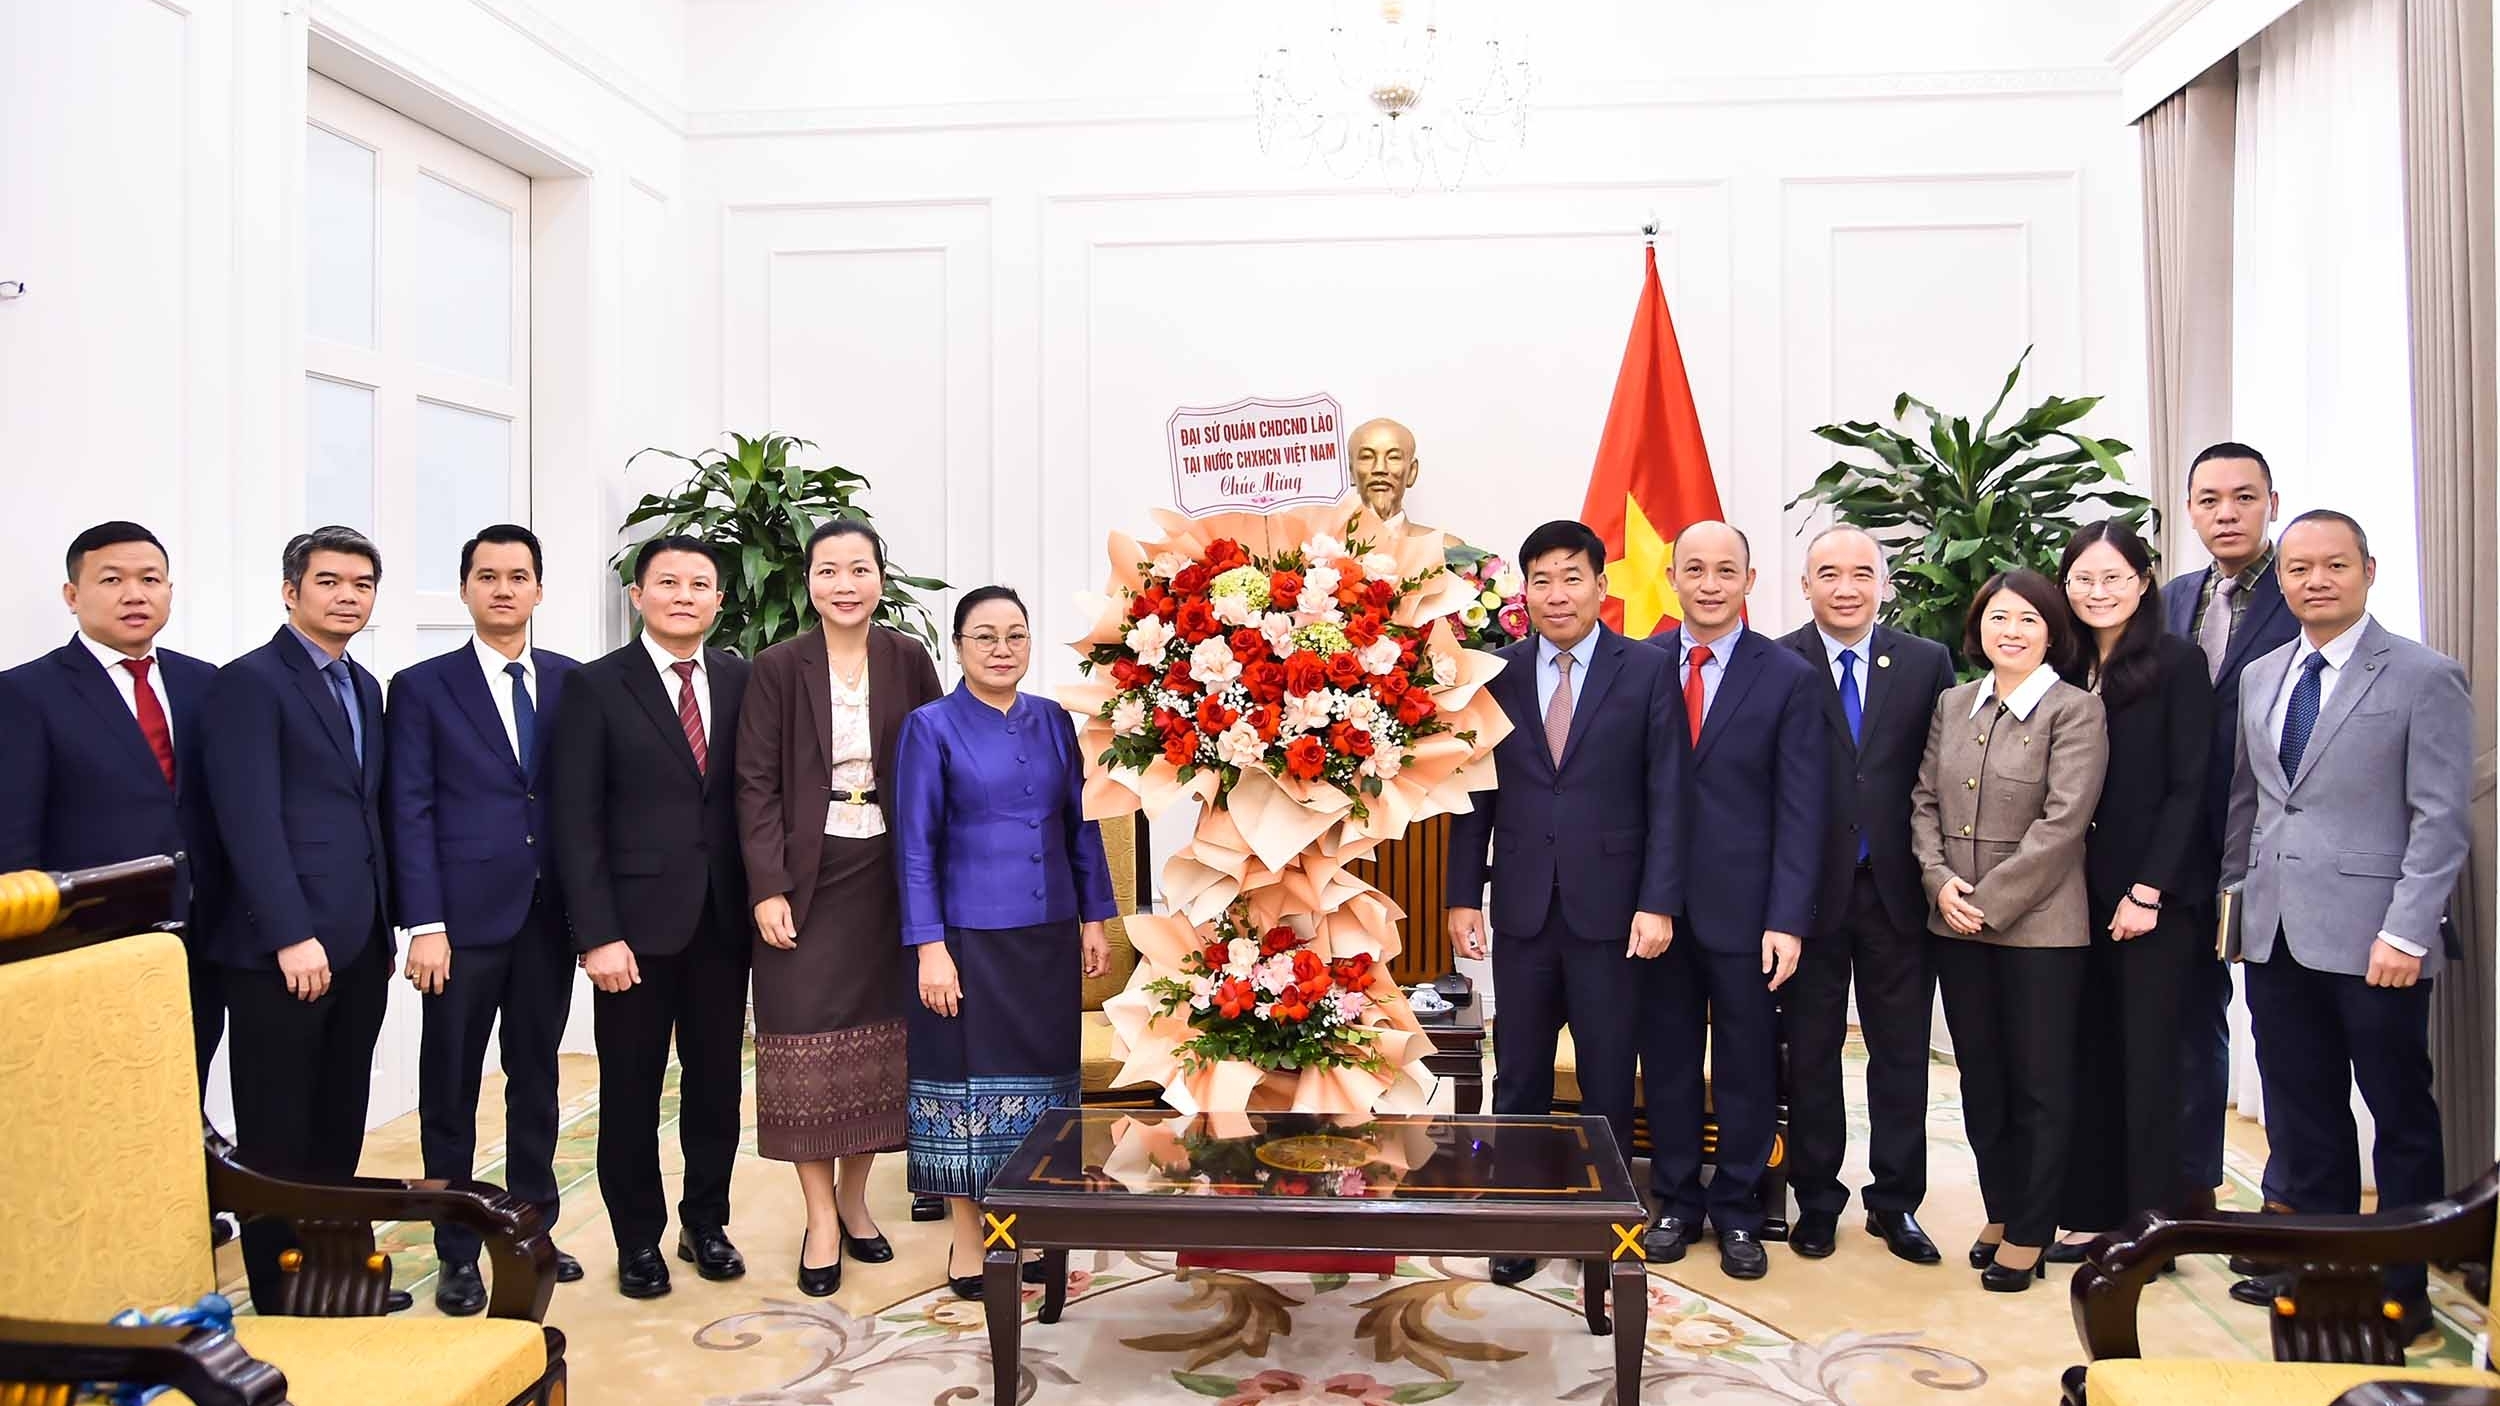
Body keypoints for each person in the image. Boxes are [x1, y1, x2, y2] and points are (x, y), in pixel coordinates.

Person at [2220, 510, 2468, 1343]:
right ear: (2280, 579)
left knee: (2397, 1114)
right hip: (2278, 935)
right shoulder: (2262, 674)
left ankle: (2404, 1292)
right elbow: (2251, 808)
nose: (2314, 580)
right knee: (2303, 1114)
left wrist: (2407, 931)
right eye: (2297, 568)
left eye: (2333, 565)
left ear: (2368, 569)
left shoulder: (2423, 675)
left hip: (2377, 940)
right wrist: (2236, 905)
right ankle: (2319, 1271)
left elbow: (2438, 818)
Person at [1445, 519, 1683, 1288]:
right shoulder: (1498, 673)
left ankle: (1604, 1224)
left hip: (1614, 911)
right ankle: (1519, 1217)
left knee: (1610, 1075)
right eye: (1542, 580)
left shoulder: (1646, 671)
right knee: (1519, 1072)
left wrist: (1658, 901)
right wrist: (1460, 896)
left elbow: (1668, 795)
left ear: (1601, 586)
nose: (1557, 594)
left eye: (1572, 577)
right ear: (1525, 592)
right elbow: (1473, 794)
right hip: (1519, 906)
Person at [195, 526, 401, 1312]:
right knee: (279, 1132)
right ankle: (281, 1291)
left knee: (339, 1120)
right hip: (282, 947)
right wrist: (289, 932)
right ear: (291, 592)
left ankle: (336, 1275)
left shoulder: (365, 685)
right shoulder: (248, 683)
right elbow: (246, 819)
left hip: (356, 941)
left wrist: (383, 929)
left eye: (361, 584)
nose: (348, 596)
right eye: (329, 582)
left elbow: (363, 813)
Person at [735, 520, 943, 1298]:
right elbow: (753, 782)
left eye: (859, 569)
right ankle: (819, 1216)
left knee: (878, 1048)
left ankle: (856, 1203)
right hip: (804, 874)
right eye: (829, 570)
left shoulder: (908, 658)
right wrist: (766, 886)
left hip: (890, 870)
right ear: (810, 582)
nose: (844, 584)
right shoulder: (777, 666)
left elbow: (933, 760)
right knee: (804, 1047)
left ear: (881, 580)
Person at [892, 586, 1114, 1301]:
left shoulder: (1053, 721)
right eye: (984, 636)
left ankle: (1037, 1228)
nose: (1001, 649)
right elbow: (915, 846)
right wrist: (929, 946)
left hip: (1046, 935)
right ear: (957, 646)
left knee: (1045, 1089)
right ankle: (969, 1243)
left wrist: (1093, 919)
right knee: (965, 1091)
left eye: (1015, 635)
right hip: (964, 940)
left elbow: (1082, 827)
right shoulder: (930, 726)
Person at [547, 534, 753, 1300]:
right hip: (630, 931)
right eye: (667, 582)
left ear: (719, 601)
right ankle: (637, 1239)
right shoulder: (596, 686)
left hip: (721, 923)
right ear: (637, 597)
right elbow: (576, 820)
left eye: (700, 584)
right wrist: (596, 933)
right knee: (630, 1090)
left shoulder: (740, 679)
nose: (684, 595)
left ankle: (706, 1222)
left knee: (715, 1087)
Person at [382, 524, 583, 1311]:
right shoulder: (422, 686)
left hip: (546, 920)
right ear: (465, 589)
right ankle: (458, 1248)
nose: (503, 588)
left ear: (539, 590)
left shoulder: (572, 682)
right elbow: (411, 808)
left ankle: (529, 1230)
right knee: (451, 1091)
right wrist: (423, 922)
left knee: (536, 1085)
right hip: (460, 928)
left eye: (518, 575)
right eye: (487, 576)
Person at [1910, 570, 2106, 1292]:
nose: (2012, 631)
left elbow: (2064, 824)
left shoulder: (2075, 710)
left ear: (2052, 630)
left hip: (2041, 929)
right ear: (1979, 628)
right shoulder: (1955, 703)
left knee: (2040, 1084)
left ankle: (2032, 1225)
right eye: (1998, 618)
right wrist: (1939, 882)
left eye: (2028, 619)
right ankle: (2001, 1207)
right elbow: (1925, 799)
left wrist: (1988, 901)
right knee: (1982, 1078)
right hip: (1955, 919)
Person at [1639, 521, 1823, 1280]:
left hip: (1749, 914)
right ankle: (1677, 1200)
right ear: (1672, 579)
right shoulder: (1638, 665)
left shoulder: (1786, 675)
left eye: (1726, 570)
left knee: (1746, 1065)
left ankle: (1740, 1209)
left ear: (1751, 581)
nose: (1709, 583)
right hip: (1654, 909)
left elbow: (1802, 807)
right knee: (1671, 1061)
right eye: (1695, 569)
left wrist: (1787, 917)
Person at [1776, 524, 1954, 1265]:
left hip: (1896, 891)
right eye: (1828, 573)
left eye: (1860, 574)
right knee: (1812, 1053)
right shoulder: (1776, 662)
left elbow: (1941, 772)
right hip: (1808, 894)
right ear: (1805, 584)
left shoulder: (1925, 662)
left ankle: (1895, 1203)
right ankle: (1818, 1200)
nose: (1845, 587)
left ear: (1884, 583)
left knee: (1900, 1053)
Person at [0, 521, 221, 1086]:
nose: (135, 594)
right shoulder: (25, 693)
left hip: (202, 937)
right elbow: (14, 834)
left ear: (169, 590)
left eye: (150, 579)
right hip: (90, 943)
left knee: (183, 1091)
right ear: (72, 595)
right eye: (112, 579)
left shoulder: (205, 683)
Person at [2050, 521, 2214, 1260]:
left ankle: (2148, 1229)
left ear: (2144, 583)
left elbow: (2191, 786)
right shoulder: (2061, 660)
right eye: (2083, 578)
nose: (2097, 591)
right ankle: (2091, 1212)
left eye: (2113, 577)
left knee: (2148, 1060)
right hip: (2068, 894)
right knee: (2085, 1052)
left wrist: (2149, 888)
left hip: (2150, 897)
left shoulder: (2178, 662)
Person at [2162, 442, 2297, 1215]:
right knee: (2190, 1018)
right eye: (2210, 499)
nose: (2227, 513)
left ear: (2270, 503)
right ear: (2191, 511)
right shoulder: (2173, 597)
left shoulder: (2302, 587)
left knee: (2285, 1033)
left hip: (2271, 840)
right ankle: (2190, 1194)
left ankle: (2292, 1206)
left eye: (2243, 498)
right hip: (2184, 846)